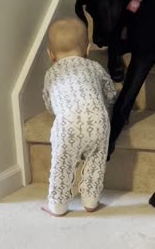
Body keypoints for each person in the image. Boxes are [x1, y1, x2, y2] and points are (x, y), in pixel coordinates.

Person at [41, 18, 117, 217]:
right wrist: (108, 104)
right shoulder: (95, 67)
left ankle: (57, 204)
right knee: (96, 161)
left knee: (63, 162)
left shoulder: (51, 74)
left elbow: (49, 101)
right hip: (98, 120)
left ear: (51, 54)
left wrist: (55, 111)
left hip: (68, 123)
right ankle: (91, 200)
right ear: (88, 48)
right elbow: (110, 92)